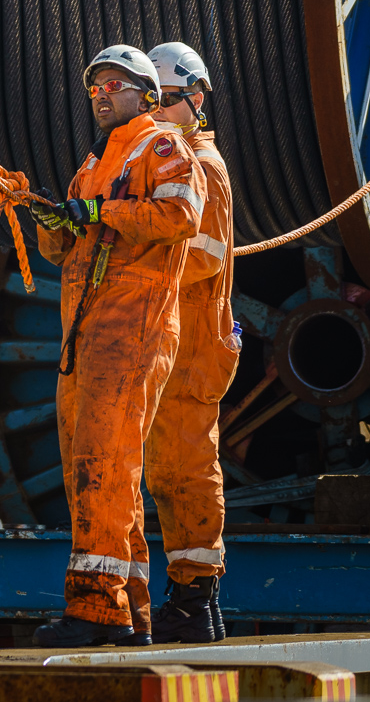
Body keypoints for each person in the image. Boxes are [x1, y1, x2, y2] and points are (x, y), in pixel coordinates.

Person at [22, 45, 207, 648]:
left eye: (115, 84)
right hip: (87, 334)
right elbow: (63, 253)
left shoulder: (161, 147)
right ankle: (130, 613)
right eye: (96, 85)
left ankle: (97, 611)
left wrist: (102, 211)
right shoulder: (90, 167)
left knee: (106, 466)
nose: (101, 93)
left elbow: (181, 216)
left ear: (147, 95)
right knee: (91, 472)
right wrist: (57, 223)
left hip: (132, 330)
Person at [143, 41, 238, 643]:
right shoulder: (169, 160)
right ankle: (190, 600)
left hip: (195, 343)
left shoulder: (204, 166)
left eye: (166, 101)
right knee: (165, 470)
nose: (155, 114)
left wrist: (127, 239)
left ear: (195, 99)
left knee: (185, 468)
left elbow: (203, 256)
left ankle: (195, 600)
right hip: (173, 338)